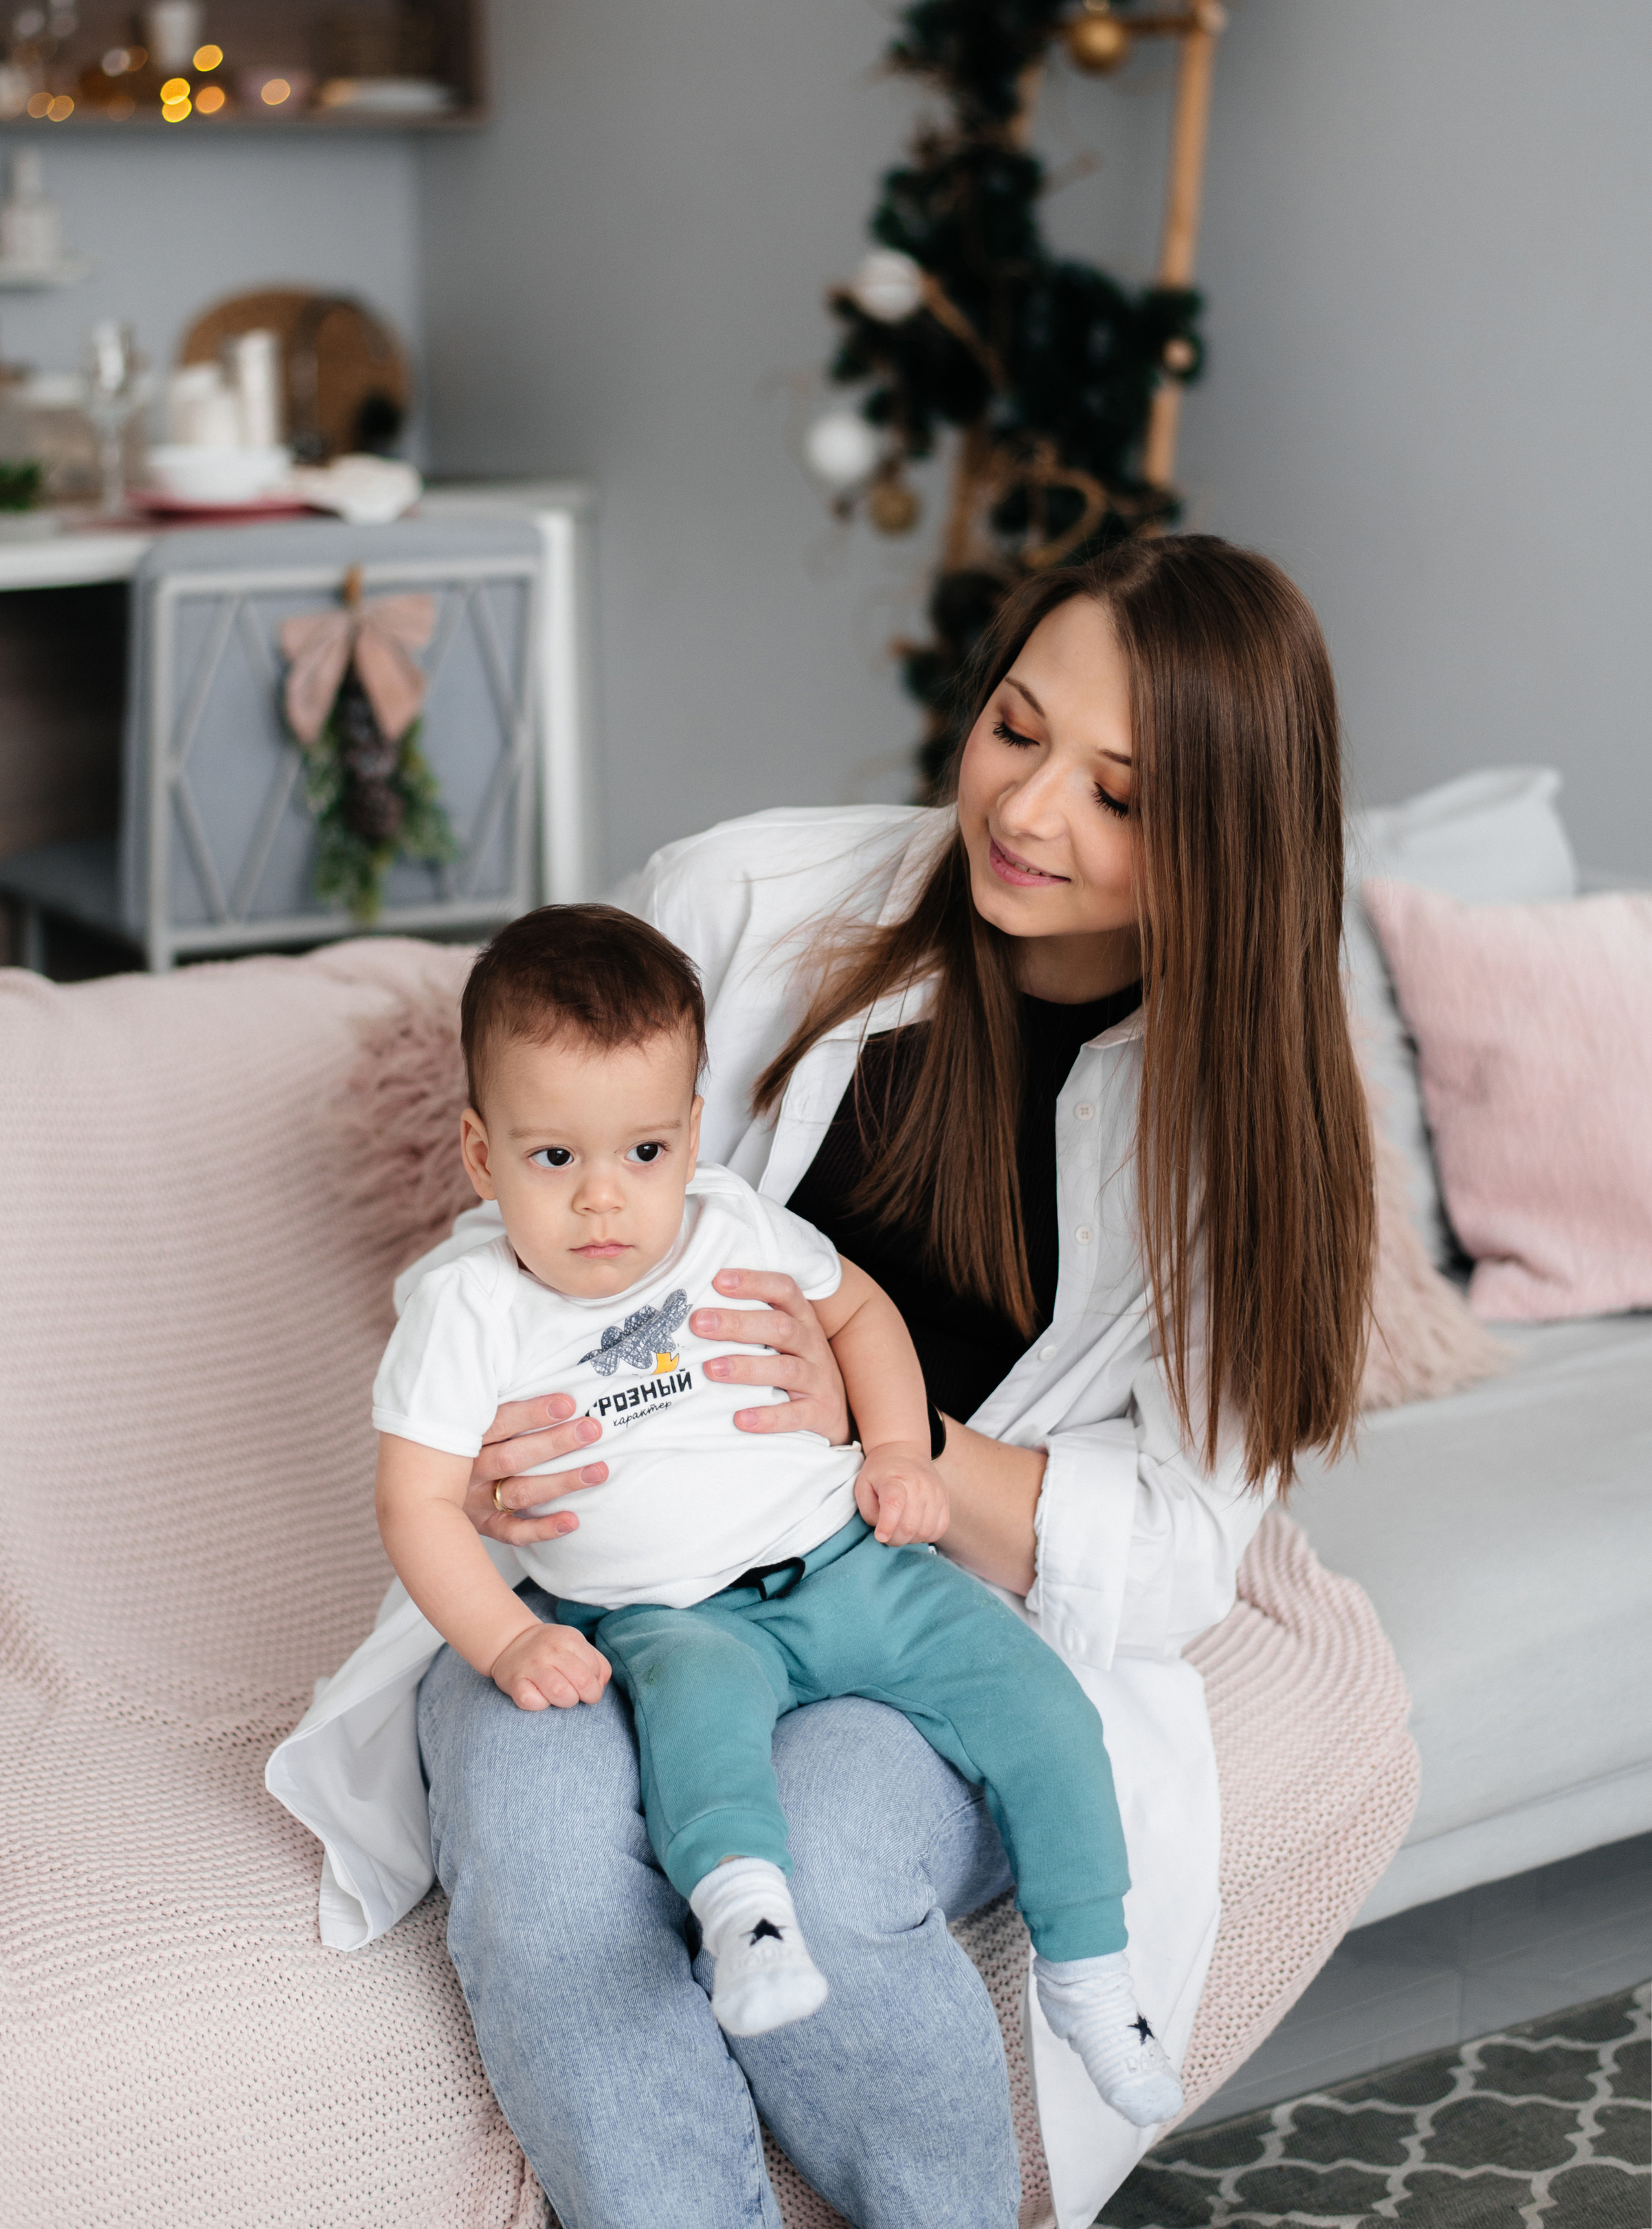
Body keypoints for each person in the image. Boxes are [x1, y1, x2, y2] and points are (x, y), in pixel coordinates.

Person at [266, 532, 1375, 2229]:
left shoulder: (1242, 1131)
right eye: (1014, 730)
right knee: (544, 1838)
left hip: (910, 1602)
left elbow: (1176, 1552)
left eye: (1120, 796)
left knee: (827, 1857)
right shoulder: (744, 899)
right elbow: (507, 1223)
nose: (1024, 813)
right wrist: (492, 1455)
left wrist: (893, 1434)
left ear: (1225, 839)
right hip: (615, 1582)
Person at [370, 903, 1182, 2117]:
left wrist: (900, 1450)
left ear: (692, 1136)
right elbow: (418, 1499)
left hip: (847, 1560)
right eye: (556, 1161)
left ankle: (1094, 1976)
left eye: (643, 1153)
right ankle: (749, 1929)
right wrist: (511, 1635)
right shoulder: (468, 1307)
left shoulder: (730, 1224)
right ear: (484, 1159)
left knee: (1037, 1702)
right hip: (670, 1616)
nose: (605, 1202)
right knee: (702, 1747)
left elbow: (859, 1313)